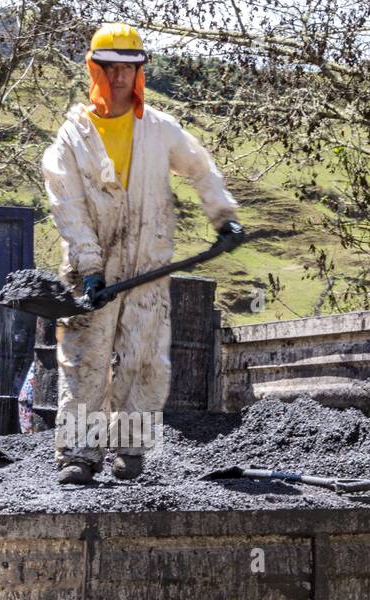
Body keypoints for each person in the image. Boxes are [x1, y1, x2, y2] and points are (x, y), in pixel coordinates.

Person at [42, 22, 244, 484]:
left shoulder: (158, 130)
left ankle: (129, 451)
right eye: (109, 68)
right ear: (95, 70)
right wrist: (90, 268)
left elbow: (201, 168)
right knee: (85, 362)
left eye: (128, 69)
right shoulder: (72, 140)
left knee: (145, 360)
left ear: (140, 73)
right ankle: (78, 454)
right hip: (90, 271)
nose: (119, 79)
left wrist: (224, 217)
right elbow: (68, 208)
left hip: (148, 269)